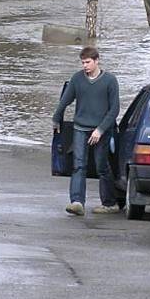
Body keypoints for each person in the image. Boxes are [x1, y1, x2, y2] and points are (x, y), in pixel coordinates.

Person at [52, 46, 120, 216]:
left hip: (101, 130)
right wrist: (56, 118)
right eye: (83, 62)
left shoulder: (110, 81)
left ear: (97, 61)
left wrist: (100, 130)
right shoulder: (77, 79)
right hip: (80, 128)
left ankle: (110, 203)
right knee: (78, 166)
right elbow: (65, 100)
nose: (85, 66)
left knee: (101, 166)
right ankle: (77, 202)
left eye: (88, 62)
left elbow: (115, 110)